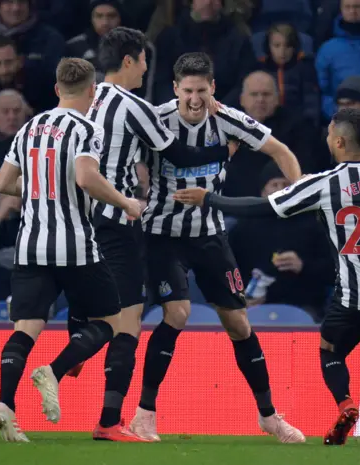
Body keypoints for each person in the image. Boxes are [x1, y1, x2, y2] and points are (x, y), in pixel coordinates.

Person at [173, 107, 360, 447]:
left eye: (331, 132)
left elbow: (264, 208)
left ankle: (346, 404)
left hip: (354, 295)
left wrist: (210, 199)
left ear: (341, 140)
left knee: (329, 350)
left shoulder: (325, 184)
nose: (328, 138)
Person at [130, 52, 304, 443]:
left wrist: (299, 191)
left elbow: (281, 151)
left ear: (213, 90)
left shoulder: (228, 120)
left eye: (201, 91)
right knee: (178, 312)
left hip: (210, 236)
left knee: (240, 324)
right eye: (187, 90)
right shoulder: (155, 121)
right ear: (175, 89)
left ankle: (269, 417)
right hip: (162, 234)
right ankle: (144, 415)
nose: (194, 99)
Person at [85, 27, 238, 442]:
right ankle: (107, 417)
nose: (146, 68)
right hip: (122, 220)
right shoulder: (135, 107)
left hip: (81, 217)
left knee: (108, 310)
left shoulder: (88, 98)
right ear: (132, 59)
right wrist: (225, 150)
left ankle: (69, 358)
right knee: (128, 323)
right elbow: (181, 155)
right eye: (145, 60)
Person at [0, 57, 141, 443]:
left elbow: (3, 183)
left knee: (25, 328)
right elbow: (87, 177)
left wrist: (40, 189)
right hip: (75, 245)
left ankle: (6, 406)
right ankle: (54, 372)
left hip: (30, 246)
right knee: (109, 320)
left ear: (57, 89)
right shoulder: (87, 128)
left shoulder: (28, 127)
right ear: (92, 92)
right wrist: (126, 202)